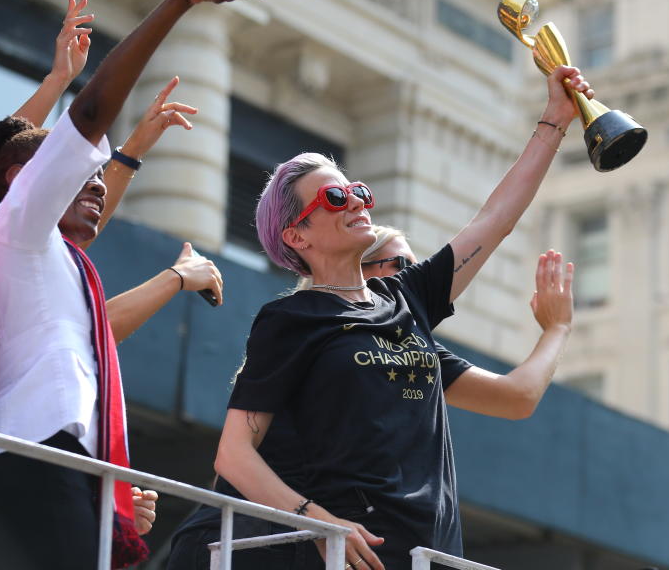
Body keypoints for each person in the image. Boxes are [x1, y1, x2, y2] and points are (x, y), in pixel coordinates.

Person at [213, 64, 588, 570]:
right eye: (335, 197)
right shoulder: (291, 317)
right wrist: (317, 522)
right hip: (353, 553)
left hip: (431, 553)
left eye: (359, 191)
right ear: (297, 237)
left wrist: (555, 119)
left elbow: (495, 220)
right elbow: (233, 455)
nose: (358, 202)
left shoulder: (405, 297)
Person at [0, 0, 265, 569]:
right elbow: (91, 113)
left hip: (55, 459)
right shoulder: (13, 232)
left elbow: (95, 321)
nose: (98, 185)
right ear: (25, 185)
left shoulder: (54, 260)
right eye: (82, 176)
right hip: (27, 455)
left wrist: (109, 487)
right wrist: (180, 0)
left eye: (103, 177)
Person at [166, 224, 572, 569]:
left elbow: (517, 397)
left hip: (326, 545)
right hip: (253, 546)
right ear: (357, 269)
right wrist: (318, 521)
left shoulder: (407, 351)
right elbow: (236, 458)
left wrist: (557, 329)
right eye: (403, 268)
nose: (411, 282)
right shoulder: (306, 328)